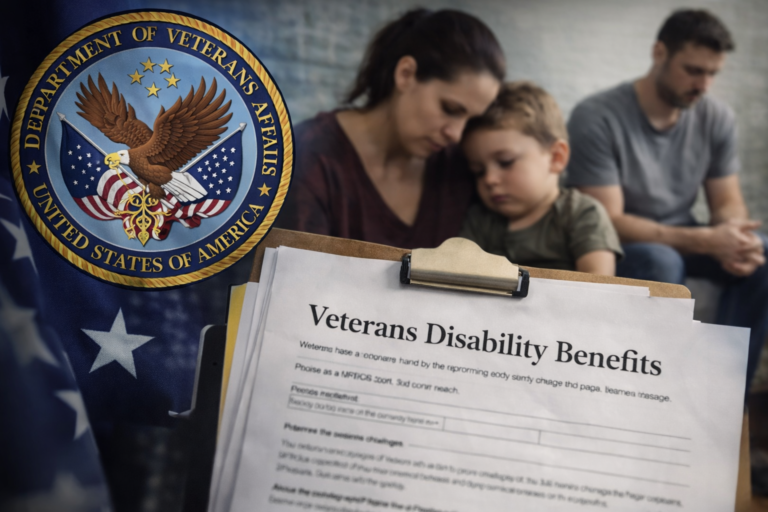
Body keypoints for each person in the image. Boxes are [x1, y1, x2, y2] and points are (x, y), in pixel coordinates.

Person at [566, 9, 768, 387]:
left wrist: (732, 234)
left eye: (712, 73)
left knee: (762, 253)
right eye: (693, 70)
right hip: (619, 244)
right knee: (662, 262)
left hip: (682, 234)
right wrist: (706, 240)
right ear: (659, 53)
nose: (704, 84)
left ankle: (722, 395)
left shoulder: (716, 117)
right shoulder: (596, 117)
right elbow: (607, 221)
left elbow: (727, 201)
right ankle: (655, 400)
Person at [276, 9, 505, 248]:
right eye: (449, 109)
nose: (456, 134)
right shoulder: (307, 157)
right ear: (405, 74)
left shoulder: (460, 166)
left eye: (470, 120)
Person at [460, 81, 622, 274]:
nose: (489, 179)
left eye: (505, 162)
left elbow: (599, 290)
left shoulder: (582, 214)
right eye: (479, 171)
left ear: (556, 157)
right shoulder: (480, 220)